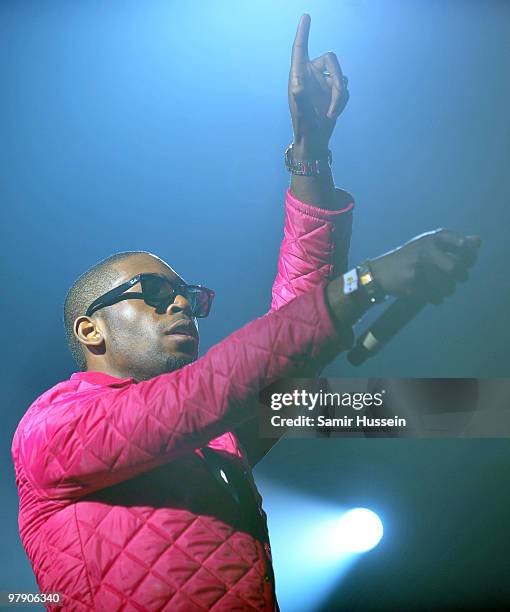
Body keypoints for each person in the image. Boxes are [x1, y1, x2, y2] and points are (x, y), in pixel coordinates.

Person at [11, 14, 480, 612]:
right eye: (153, 293)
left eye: (188, 295)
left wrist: (311, 156)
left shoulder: (218, 443)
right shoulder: (51, 430)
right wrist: (367, 282)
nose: (181, 302)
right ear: (89, 329)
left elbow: (293, 328)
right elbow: (202, 392)